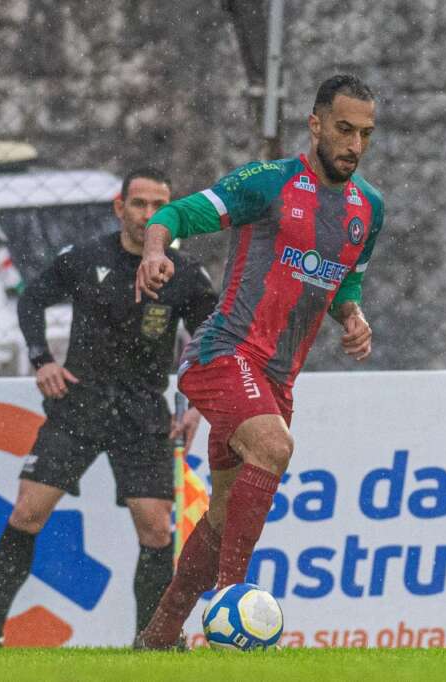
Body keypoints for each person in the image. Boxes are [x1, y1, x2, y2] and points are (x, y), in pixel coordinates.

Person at [132, 74, 384, 650]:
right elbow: (178, 215)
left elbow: (346, 282)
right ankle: (233, 605)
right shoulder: (268, 183)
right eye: (343, 129)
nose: (354, 144)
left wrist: (352, 317)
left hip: (276, 378)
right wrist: (152, 251)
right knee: (274, 448)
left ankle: (159, 634)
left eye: (365, 134)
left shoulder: (369, 207)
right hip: (223, 352)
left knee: (222, 518)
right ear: (315, 124)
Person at [0, 169, 218, 648]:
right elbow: (31, 300)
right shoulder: (86, 257)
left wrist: (193, 404)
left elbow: (210, 338)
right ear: (120, 208)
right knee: (28, 511)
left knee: (156, 528)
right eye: (139, 204)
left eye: (160, 206)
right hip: (80, 402)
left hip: (142, 410)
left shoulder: (186, 274)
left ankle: (149, 643)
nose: (149, 215)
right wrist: (41, 360)